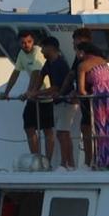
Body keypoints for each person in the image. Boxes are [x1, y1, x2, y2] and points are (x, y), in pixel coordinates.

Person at [77, 43, 109, 168]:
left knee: (101, 128)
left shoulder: (82, 65)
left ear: (82, 52)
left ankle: (103, 160)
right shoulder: (102, 60)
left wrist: (87, 95)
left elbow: (81, 90)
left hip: (101, 96)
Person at [4, 29, 45, 160]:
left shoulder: (38, 52)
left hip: (45, 94)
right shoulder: (22, 54)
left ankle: (46, 160)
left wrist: (28, 92)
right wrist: (6, 92)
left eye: (29, 42)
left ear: (33, 42)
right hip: (33, 95)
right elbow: (15, 73)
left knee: (49, 130)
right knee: (29, 126)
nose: (26, 45)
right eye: (23, 42)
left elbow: (36, 73)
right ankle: (36, 158)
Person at [38, 36, 73, 169]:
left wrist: (36, 93)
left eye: (43, 48)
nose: (41, 51)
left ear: (51, 48)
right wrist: (33, 90)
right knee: (63, 133)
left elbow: (56, 87)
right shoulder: (49, 63)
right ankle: (70, 163)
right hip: (58, 102)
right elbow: (41, 76)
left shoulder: (60, 63)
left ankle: (65, 164)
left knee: (62, 133)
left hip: (66, 102)